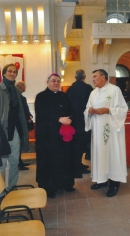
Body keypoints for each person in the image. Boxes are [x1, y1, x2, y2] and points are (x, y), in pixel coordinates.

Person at [84, 69, 128, 197]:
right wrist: (89, 111)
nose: (93, 79)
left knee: (112, 154)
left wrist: (108, 110)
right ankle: (102, 180)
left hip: (111, 131)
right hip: (97, 130)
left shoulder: (114, 90)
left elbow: (123, 109)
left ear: (103, 77)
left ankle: (114, 183)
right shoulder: (93, 93)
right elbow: (87, 109)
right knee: (100, 154)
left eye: (95, 76)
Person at [35, 73, 76, 198]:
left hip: (62, 136)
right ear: (47, 82)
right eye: (53, 81)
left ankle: (65, 183)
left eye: (58, 81)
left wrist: (69, 119)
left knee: (64, 159)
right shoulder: (41, 97)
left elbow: (71, 110)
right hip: (48, 137)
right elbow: (42, 114)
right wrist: (59, 119)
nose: (56, 83)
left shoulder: (64, 96)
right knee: (49, 161)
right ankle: (49, 187)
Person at [0, 63, 29, 200]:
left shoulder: (17, 91)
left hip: (15, 130)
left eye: (15, 72)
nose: (12, 74)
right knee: (1, 163)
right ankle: (1, 191)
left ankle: (11, 187)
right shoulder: (0, 89)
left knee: (14, 162)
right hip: (2, 131)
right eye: (10, 71)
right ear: (4, 73)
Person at [66, 69, 93, 175]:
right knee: (82, 144)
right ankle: (77, 166)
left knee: (75, 144)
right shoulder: (88, 88)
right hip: (85, 120)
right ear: (84, 77)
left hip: (73, 121)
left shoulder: (70, 89)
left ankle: (78, 164)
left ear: (75, 77)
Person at [15, 80, 34, 170]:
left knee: (21, 143)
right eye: (24, 86)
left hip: (23, 122)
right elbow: (23, 111)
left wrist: (30, 115)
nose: (25, 87)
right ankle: (18, 163)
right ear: (20, 87)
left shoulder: (22, 97)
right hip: (20, 124)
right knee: (19, 143)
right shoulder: (19, 98)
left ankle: (20, 162)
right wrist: (28, 117)